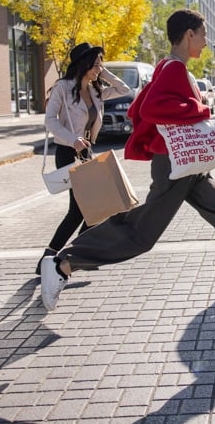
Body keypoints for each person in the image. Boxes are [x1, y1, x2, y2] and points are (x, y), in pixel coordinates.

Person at [40, 9, 215, 328]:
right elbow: (150, 107)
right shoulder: (173, 69)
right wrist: (203, 110)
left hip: (187, 163)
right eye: (202, 36)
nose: (205, 43)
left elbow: (137, 104)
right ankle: (62, 263)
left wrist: (196, 112)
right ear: (188, 35)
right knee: (140, 233)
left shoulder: (171, 67)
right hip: (175, 163)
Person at [36, 43, 131, 275]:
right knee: (79, 210)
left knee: (101, 205)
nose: (99, 68)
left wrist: (103, 70)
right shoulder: (63, 88)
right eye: (96, 63)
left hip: (87, 152)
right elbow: (50, 120)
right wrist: (73, 140)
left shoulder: (96, 90)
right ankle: (53, 257)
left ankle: (76, 255)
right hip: (69, 151)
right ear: (83, 64)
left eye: (100, 63)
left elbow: (124, 89)